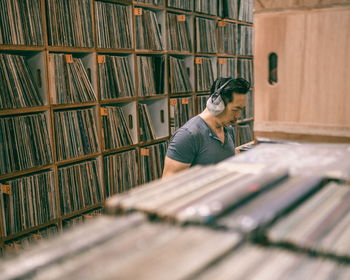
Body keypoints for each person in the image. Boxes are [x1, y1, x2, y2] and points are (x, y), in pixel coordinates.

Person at [162, 77, 250, 177]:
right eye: (235, 110)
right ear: (217, 104)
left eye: (241, 110)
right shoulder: (187, 136)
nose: (238, 116)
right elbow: (169, 184)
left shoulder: (228, 130)